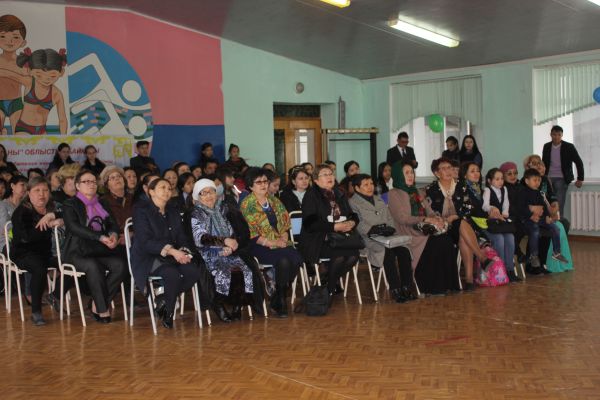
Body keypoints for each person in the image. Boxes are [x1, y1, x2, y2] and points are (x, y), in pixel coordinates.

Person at [130, 178, 205, 329]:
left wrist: (184, 251)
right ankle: (168, 312)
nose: (167, 191)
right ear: (151, 192)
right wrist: (172, 251)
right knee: (172, 275)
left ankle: (163, 299)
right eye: (162, 187)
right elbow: (145, 241)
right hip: (148, 256)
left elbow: (181, 236)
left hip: (172, 255)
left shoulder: (173, 209)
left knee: (193, 271)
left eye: (169, 188)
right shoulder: (141, 210)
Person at [62, 170, 127, 323]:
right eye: (86, 182)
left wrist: (113, 235)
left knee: (121, 266)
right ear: (77, 186)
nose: (91, 184)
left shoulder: (102, 202)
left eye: (93, 181)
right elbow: (74, 227)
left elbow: (112, 223)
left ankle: (97, 303)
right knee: (93, 266)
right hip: (77, 251)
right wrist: (100, 237)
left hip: (99, 249)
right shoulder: (70, 204)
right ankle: (102, 309)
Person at [388, 163, 459, 295]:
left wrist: (436, 218)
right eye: (406, 173)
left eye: (412, 172)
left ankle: (449, 285)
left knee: (446, 241)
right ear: (398, 175)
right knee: (436, 243)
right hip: (408, 231)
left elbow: (429, 212)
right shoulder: (393, 194)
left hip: (423, 229)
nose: (411, 175)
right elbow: (402, 218)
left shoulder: (417, 191)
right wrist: (424, 219)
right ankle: (431, 287)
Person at [240, 168, 302, 318]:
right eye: (259, 182)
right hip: (258, 245)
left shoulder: (274, 200)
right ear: (250, 186)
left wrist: (284, 238)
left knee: (297, 259)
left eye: (265, 181)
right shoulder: (247, 204)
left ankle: (278, 296)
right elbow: (251, 234)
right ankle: (281, 299)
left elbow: (285, 223)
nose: (263, 185)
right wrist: (272, 242)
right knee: (284, 261)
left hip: (280, 243)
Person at [191, 179, 255, 322]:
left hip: (228, 250)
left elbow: (232, 231)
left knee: (244, 270)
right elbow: (200, 238)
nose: (209, 196)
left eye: (211, 192)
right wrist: (224, 242)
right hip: (209, 252)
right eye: (204, 193)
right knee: (224, 272)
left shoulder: (223, 209)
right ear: (197, 196)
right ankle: (218, 304)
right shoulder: (196, 213)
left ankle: (238, 305)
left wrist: (231, 246)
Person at [425, 158, 493, 290]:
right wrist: (445, 219)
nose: (448, 171)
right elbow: (430, 211)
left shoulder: (461, 186)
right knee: (461, 228)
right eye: (444, 168)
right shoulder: (431, 189)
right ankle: (481, 258)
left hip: (461, 225)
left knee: (462, 231)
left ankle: (469, 280)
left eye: (450, 167)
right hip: (442, 226)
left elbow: (469, 208)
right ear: (437, 173)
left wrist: (456, 217)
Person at [349, 174, 415, 302]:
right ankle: (395, 290)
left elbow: (389, 218)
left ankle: (407, 287)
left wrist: (389, 228)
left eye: (371, 184)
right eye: (366, 185)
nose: (370, 187)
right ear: (357, 188)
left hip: (387, 236)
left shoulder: (378, 199)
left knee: (404, 251)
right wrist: (373, 230)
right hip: (368, 239)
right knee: (387, 253)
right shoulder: (352, 203)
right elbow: (357, 224)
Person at [300, 164, 359, 297]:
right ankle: (329, 290)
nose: (329, 177)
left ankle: (326, 282)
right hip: (317, 239)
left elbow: (352, 214)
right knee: (339, 256)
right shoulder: (311, 195)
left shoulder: (339, 193)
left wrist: (352, 222)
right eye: (325, 174)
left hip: (340, 237)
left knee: (353, 256)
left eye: (331, 174)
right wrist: (333, 227)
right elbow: (310, 224)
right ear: (316, 180)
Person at [10, 177, 63, 325]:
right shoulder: (22, 211)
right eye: (37, 190)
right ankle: (36, 312)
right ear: (29, 193)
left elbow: (70, 212)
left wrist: (54, 216)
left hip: (45, 252)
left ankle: (55, 295)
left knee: (71, 262)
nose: (42, 194)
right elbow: (26, 238)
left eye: (45, 190)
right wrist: (48, 225)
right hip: (23, 252)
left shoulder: (51, 207)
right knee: (39, 268)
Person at [0, 48, 68, 135]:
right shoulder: (29, 82)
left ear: (61, 72)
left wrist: (64, 137)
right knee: (23, 140)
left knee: (45, 143)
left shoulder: (57, 94)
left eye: (52, 76)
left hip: (42, 130)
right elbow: (10, 74)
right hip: (24, 128)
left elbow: (62, 119)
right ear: (30, 71)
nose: (45, 79)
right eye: (39, 75)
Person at [518, 168, 569, 273]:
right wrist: (531, 215)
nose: (537, 183)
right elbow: (522, 208)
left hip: (540, 218)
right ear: (527, 181)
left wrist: (547, 216)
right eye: (534, 180)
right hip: (528, 219)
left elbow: (544, 206)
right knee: (535, 231)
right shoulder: (523, 192)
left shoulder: (539, 193)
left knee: (555, 228)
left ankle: (556, 252)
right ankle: (534, 256)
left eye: (539, 180)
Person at [482, 167, 520, 281]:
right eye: (497, 179)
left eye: (502, 179)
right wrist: (492, 208)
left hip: (501, 221)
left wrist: (505, 213)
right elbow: (485, 205)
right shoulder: (487, 190)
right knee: (499, 239)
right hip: (490, 223)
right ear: (489, 181)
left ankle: (510, 269)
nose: (500, 181)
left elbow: (506, 203)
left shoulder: (504, 189)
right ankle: (501, 269)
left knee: (510, 238)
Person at [542, 125, 584, 217]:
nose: (556, 137)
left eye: (559, 135)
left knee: (559, 203)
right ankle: (548, 222)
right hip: (548, 178)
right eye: (554, 134)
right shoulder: (546, 146)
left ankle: (559, 222)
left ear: (562, 135)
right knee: (545, 201)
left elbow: (578, 162)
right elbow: (543, 163)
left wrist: (580, 178)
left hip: (562, 178)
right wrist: (541, 177)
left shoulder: (569, 147)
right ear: (550, 134)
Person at [0, 15, 27, 135]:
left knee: (19, 132)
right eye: (3, 36)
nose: (9, 41)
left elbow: (29, 82)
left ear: (23, 42)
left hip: (16, 102)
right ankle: (3, 132)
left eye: (15, 37)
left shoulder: (23, 63)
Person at [99, 166, 133, 235]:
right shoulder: (103, 202)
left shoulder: (134, 198)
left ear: (124, 181)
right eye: (112, 178)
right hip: (115, 238)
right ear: (107, 185)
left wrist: (132, 234)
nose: (117, 178)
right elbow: (107, 226)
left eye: (119, 176)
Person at [0, 174, 28, 250]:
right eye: (22, 185)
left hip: (24, 240)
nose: (25, 188)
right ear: (12, 186)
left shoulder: (26, 206)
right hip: (6, 242)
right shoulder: (2, 205)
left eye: (27, 186)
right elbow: (5, 228)